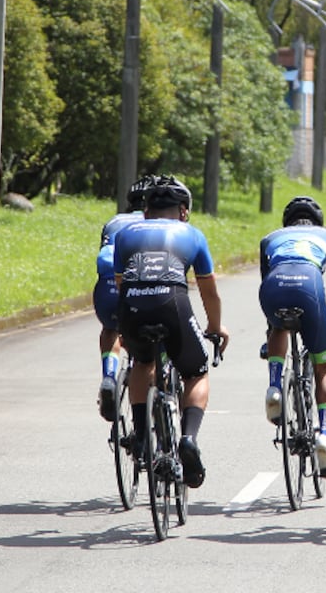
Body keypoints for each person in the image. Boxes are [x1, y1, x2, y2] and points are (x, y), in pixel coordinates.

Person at [113, 175, 229, 489]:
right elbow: (209, 291)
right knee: (196, 371)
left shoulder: (125, 233)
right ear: (184, 211)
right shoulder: (191, 233)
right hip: (173, 303)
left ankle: (139, 439)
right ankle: (188, 439)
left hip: (132, 305)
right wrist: (216, 327)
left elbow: (121, 284)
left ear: (146, 211)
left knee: (141, 362)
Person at [258, 196, 326, 478]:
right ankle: (325, 435)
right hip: (310, 284)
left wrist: (269, 333)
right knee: (324, 367)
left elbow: (265, 279)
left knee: (278, 326)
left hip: (274, 286)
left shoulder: (271, 237)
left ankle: (274, 386)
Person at [94, 174, 155, 422]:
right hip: (146, 289)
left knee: (111, 329)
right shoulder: (160, 223)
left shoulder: (113, 222)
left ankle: (109, 377)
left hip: (108, 288)